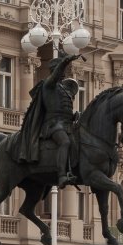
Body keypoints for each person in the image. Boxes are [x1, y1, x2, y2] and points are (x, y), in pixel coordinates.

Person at [14, 52, 82, 188]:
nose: (63, 73)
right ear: (54, 70)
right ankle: (62, 175)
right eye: (60, 69)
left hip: (66, 124)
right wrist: (65, 61)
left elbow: (64, 109)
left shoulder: (64, 89)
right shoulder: (49, 85)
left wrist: (74, 116)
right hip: (53, 125)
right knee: (65, 142)